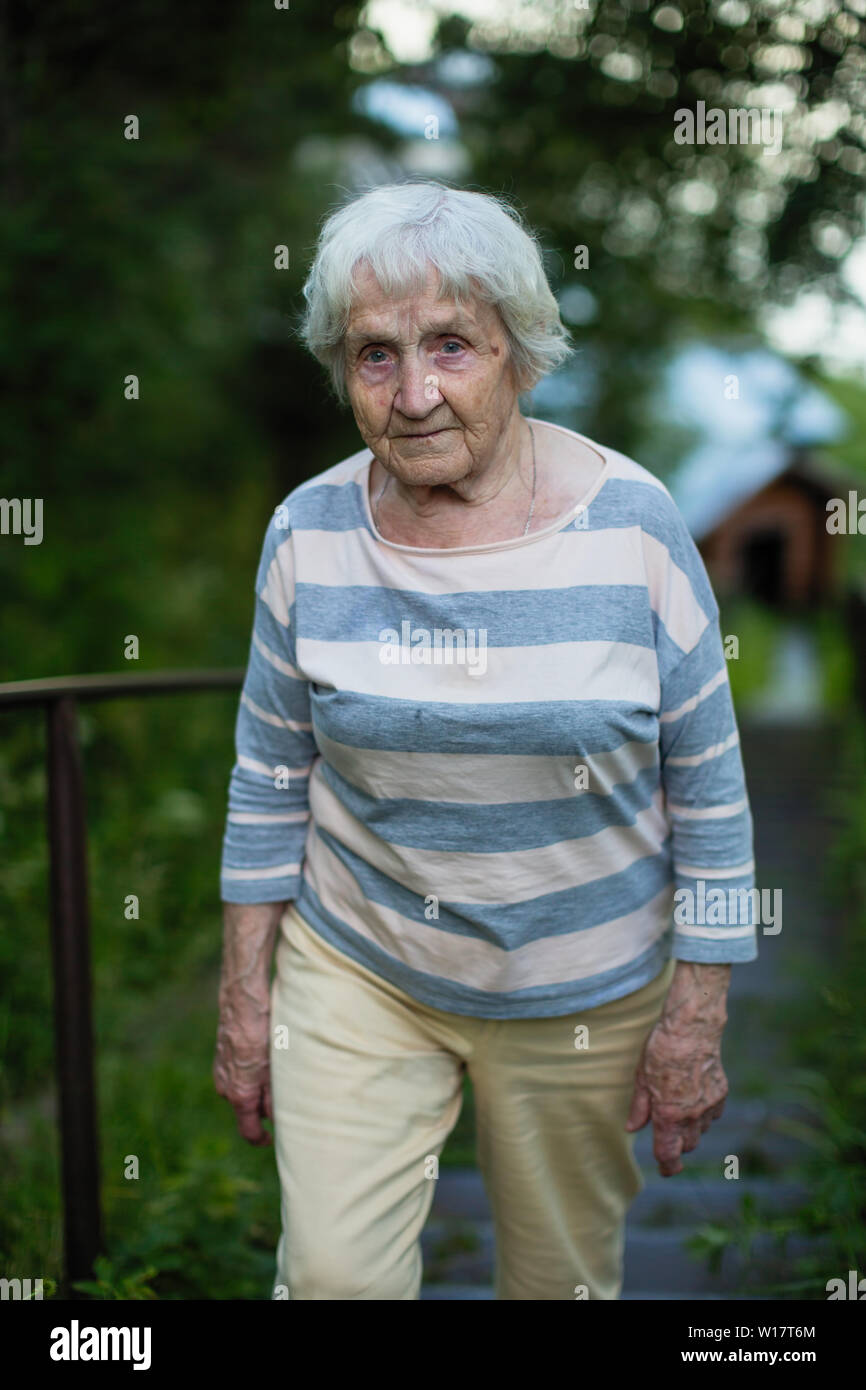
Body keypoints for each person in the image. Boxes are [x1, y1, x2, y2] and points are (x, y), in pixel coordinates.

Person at [213, 180, 758, 1301]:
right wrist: (245, 996)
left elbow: (708, 787)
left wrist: (693, 1015)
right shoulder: (307, 532)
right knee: (329, 1280)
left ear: (517, 351)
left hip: (581, 986)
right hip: (363, 965)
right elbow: (268, 774)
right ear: (341, 371)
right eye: (375, 356)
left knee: (560, 1284)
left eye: (450, 346)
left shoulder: (633, 524)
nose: (413, 395)